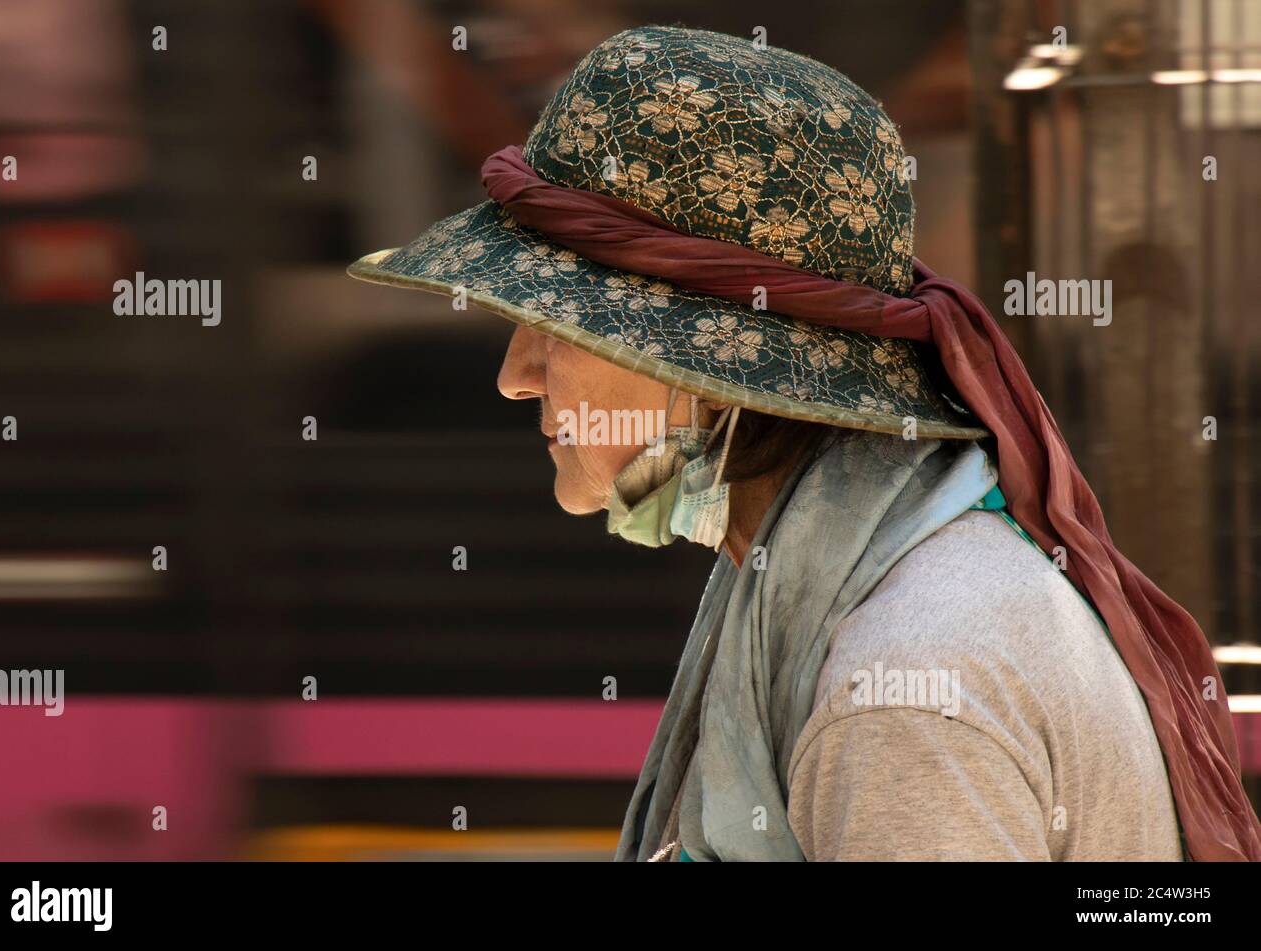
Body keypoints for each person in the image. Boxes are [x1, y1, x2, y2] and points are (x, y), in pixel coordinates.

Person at [348, 25, 1261, 861]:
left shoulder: (901, 693)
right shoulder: (849, 591)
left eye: (555, 324)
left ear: (713, 370)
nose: (516, 373)